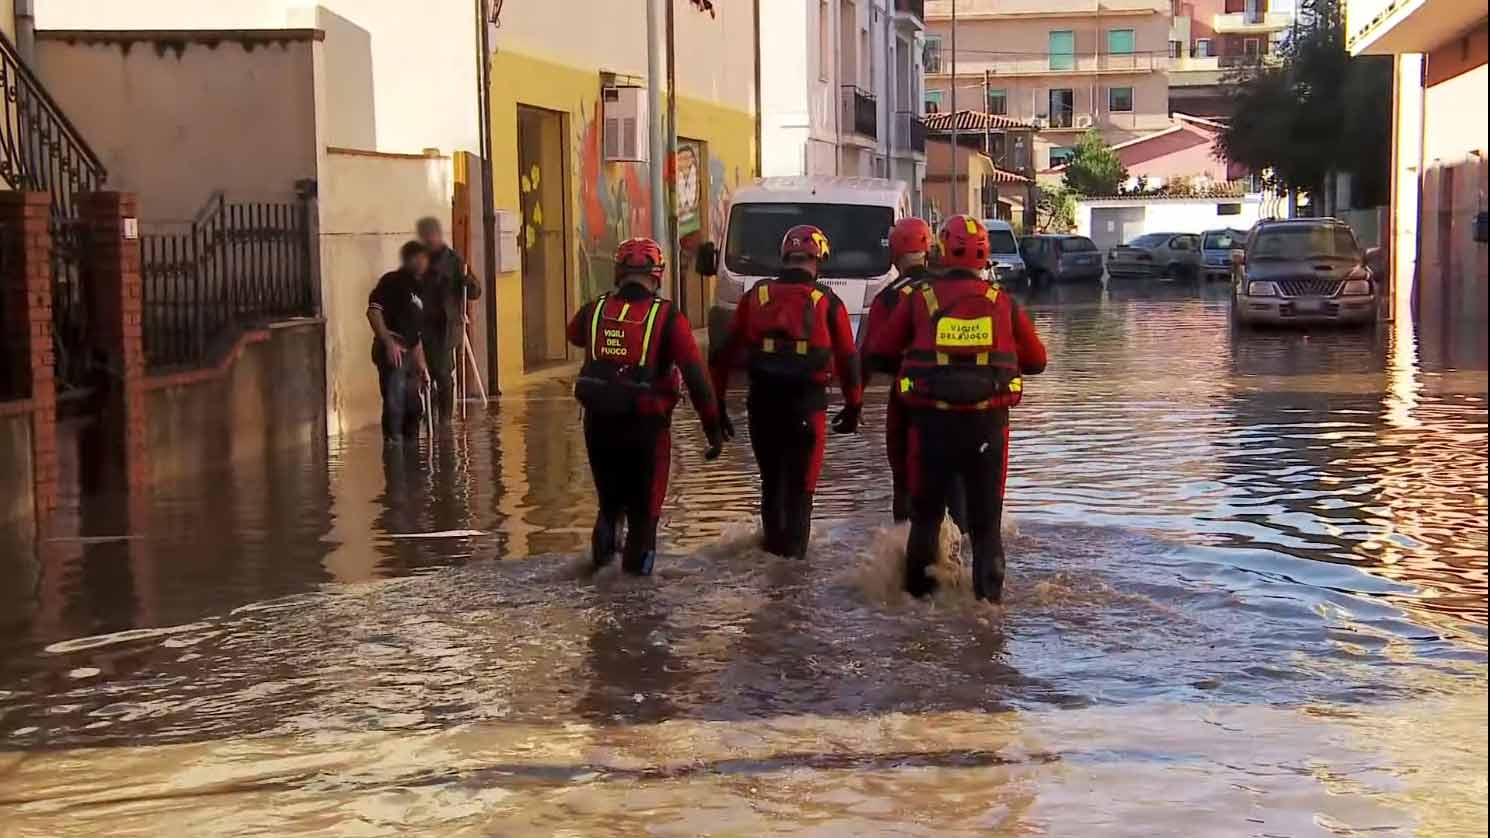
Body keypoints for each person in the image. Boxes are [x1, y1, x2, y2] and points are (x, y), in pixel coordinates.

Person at [866, 216, 1047, 602]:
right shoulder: (1002, 302)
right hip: (988, 427)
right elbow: (1037, 361)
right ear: (985, 256)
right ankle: (989, 618)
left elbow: (879, 352)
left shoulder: (920, 299)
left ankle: (916, 613)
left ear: (941, 251)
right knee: (986, 529)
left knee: (926, 520)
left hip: (931, 426)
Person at [567, 237, 723, 576]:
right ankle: (636, 609)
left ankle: (597, 583)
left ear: (618, 272)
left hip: (598, 425)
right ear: (658, 274)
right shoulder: (667, 318)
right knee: (644, 513)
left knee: (609, 505)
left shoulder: (595, 309)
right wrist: (712, 428)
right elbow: (696, 376)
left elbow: (574, 335)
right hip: (646, 429)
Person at [710, 225, 863, 560]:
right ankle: (794, 586)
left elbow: (721, 354)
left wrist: (717, 406)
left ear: (785, 255)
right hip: (807, 410)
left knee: (771, 486)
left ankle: (772, 575)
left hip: (762, 407)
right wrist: (853, 406)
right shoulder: (827, 301)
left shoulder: (756, 297)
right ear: (819, 258)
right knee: (800, 493)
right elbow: (849, 358)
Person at [861, 216, 962, 525]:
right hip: (960, 395)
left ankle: (905, 549)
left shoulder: (889, 297)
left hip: (908, 396)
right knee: (957, 479)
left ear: (893, 254)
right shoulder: (953, 290)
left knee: (905, 478)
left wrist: (856, 398)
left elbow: (872, 354)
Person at [415, 217, 482, 423]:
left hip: (443, 327)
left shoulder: (454, 261)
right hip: (423, 324)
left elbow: (475, 291)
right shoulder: (420, 258)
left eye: (430, 236)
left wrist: (467, 282)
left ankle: (444, 421)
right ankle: (430, 411)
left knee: (443, 373)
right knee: (426, 372)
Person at [368, 241, 433, 445]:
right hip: (392, 351)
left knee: (414, 408)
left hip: (411, 353)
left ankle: (413, 463)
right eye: (422, 258)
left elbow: (416, 334)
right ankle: (394, 456)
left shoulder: (421, 288)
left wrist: (422, 365)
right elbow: (373, 312)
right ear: (410, 259)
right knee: (396, 407)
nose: (425, 263)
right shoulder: (391, 282)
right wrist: (388, 343)